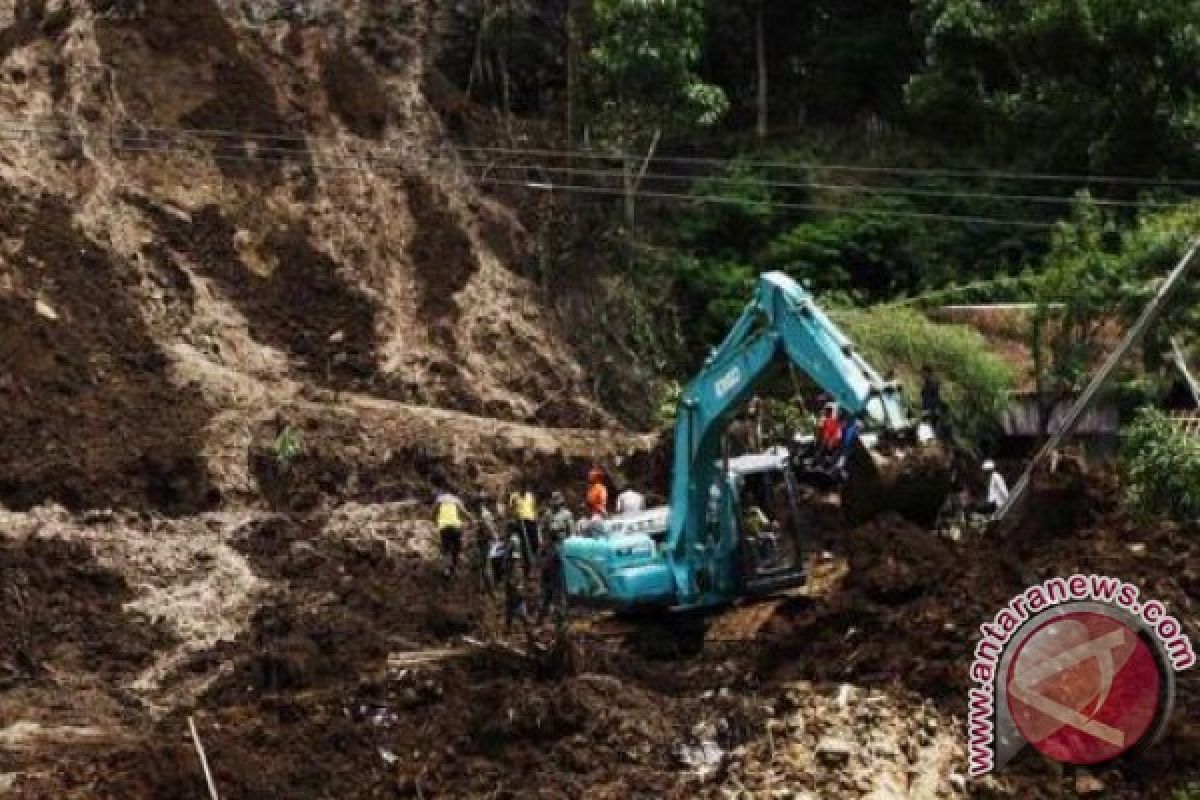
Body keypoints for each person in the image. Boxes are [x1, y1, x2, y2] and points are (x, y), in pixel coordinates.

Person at [537, 492, 573, 623]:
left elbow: (571, 533)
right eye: (554, 503)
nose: (556, 505)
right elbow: (541, 530)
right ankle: (546, 612)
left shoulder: (567, 515)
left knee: (560, 584)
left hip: (561, 550)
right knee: (547, 583)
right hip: (549, 551)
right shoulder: (548, 514)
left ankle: (561, 613)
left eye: (557, 502)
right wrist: (542, 546)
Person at [433, 489, 472, 578]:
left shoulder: (440, 499)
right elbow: (464, 512)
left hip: (444, 527)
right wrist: (471, 519)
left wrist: (433, 520)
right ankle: (453, 567)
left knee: (446, 548)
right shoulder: (456, 499)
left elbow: (433, 512)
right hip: (455, 526)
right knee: (457, 547)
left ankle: (446, 569)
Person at [475, 493, 499, 593]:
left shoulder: (484, 514)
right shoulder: (481, 513)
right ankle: (483, 589)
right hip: (482, 541)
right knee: (482, 566)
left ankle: (491, 590)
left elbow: (490, 528)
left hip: (486, 542)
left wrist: (494, 538)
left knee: (486, 566)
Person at [508, 488, 539, 560]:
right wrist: (514, 518)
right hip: (521, 521)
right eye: (521, 486)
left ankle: (537, 560)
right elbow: (510, 509)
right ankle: (526, 561)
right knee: (524, 543)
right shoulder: (514, 496)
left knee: (535, 541)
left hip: (531, 520)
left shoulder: (530, 495)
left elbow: (534, 508)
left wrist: (535, 518)